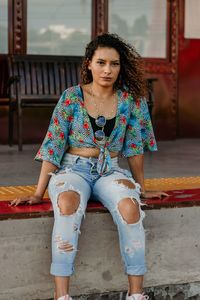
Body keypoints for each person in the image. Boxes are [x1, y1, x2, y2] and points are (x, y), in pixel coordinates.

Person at [11, 33, 168, 300]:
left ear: (121, 67)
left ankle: (136, 294)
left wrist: (140, 187)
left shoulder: (131, 100)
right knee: (67, 203)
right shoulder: (72, 97)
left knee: (130, 209)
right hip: (73, 170)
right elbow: (54, 144)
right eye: (101, 62)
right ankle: (62, 296)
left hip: (111, 171)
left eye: (114, 64)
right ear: (89, 64)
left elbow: (134, 147)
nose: (107, 70)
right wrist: (38, 193)